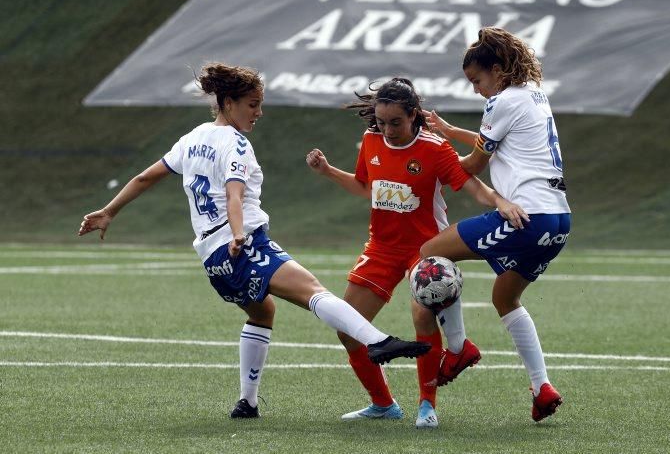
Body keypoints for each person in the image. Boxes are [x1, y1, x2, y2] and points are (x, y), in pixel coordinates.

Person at [78, 62, 431, 420]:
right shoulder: (236, 144)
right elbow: (234, 195)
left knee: (263, 312)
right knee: (313, 290)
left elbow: (143, 177)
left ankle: (247, 401)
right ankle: (378, 342)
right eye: (252, 104)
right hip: (242, 245)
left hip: (212, 260)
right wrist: (237, 233)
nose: (258, 112)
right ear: (228, 102)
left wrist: (109, 211)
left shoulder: (193, 138)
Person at [306, 77, 527, 428]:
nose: (388, 130)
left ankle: (427, 404)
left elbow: (471, 185)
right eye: (381, 122)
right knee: (347, 329)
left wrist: (500, 202)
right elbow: (368, 188)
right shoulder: (370, 141)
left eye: (395, 122)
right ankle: (383, 404)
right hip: (381, 246)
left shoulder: (434, 148)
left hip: (425, 249)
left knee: (422, 316)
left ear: (413, 116)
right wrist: (328, 171)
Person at [419, 27, 571, 422]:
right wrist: (451, 132)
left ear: (499, 70)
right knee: (505, 299)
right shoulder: (535, 95)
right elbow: (503, 142)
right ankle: (542, 388)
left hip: (527, 217)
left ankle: (457, 348)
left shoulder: (501, 101)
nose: (476, 90)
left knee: (430, 254)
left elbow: (473, 164)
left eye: (478, 80)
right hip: (558, 219)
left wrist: (435, 163)